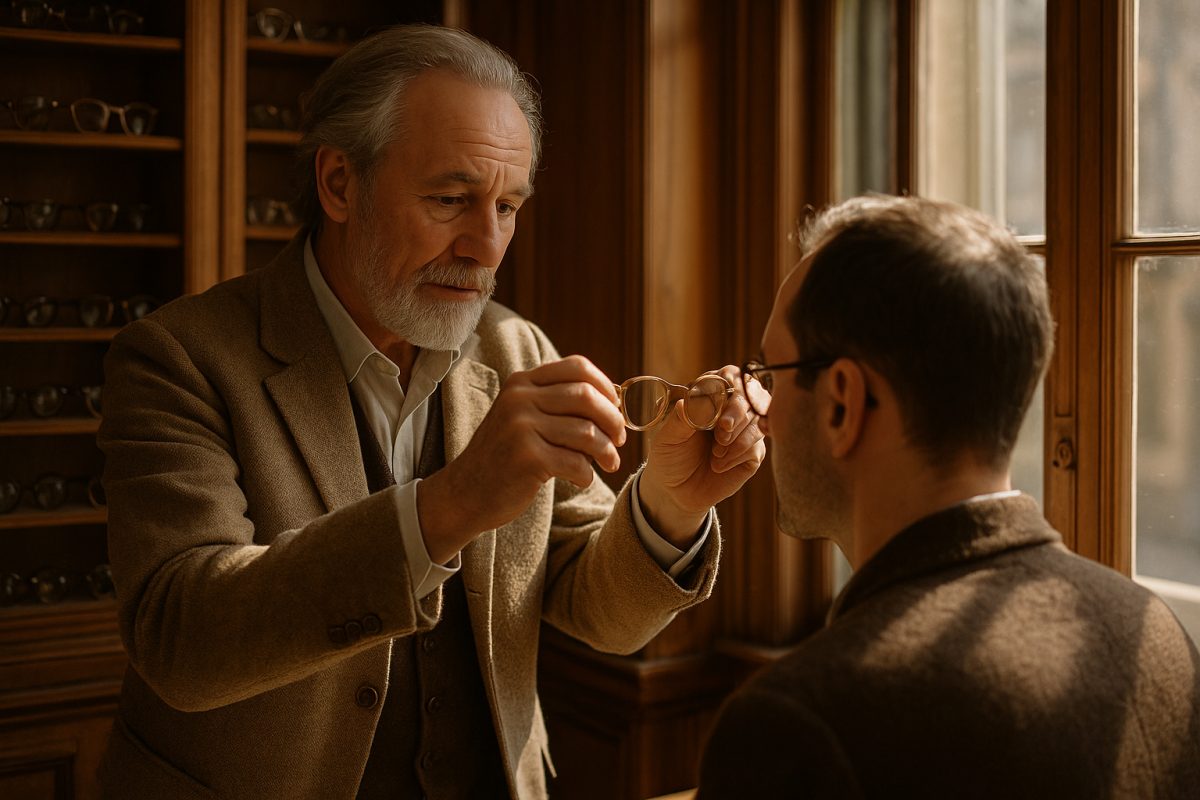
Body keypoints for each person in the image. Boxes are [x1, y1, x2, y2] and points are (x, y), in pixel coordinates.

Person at [96, 25, 764, 800]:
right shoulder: (176, 359)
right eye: (451, 200)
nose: (486, 245)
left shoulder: (517, 347)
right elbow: (183, 641)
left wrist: (673, 503)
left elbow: (598, 611)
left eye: (508, 206)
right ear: (339, 184)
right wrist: (453, 503)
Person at [696, 195, 1200, 798]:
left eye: (771, 376)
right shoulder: (1165, 644)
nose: (765, 417)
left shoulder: (797, 726)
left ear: (842, 404)